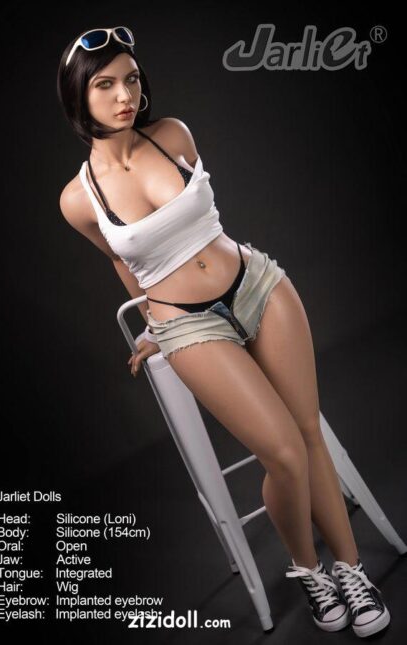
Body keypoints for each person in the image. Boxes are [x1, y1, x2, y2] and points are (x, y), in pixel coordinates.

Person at [57, 26, 391, 637]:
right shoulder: (78, 199)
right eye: (104, 85)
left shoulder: (173, 135)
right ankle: (308, 569)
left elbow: (197, 225)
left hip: (258, 285)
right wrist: (151, 324)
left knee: (308, 434)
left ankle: (352, 570)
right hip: (187, 323)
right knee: (283, 453)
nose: (124, 95)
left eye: (131, 80)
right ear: (78, 95)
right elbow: (123, 260)